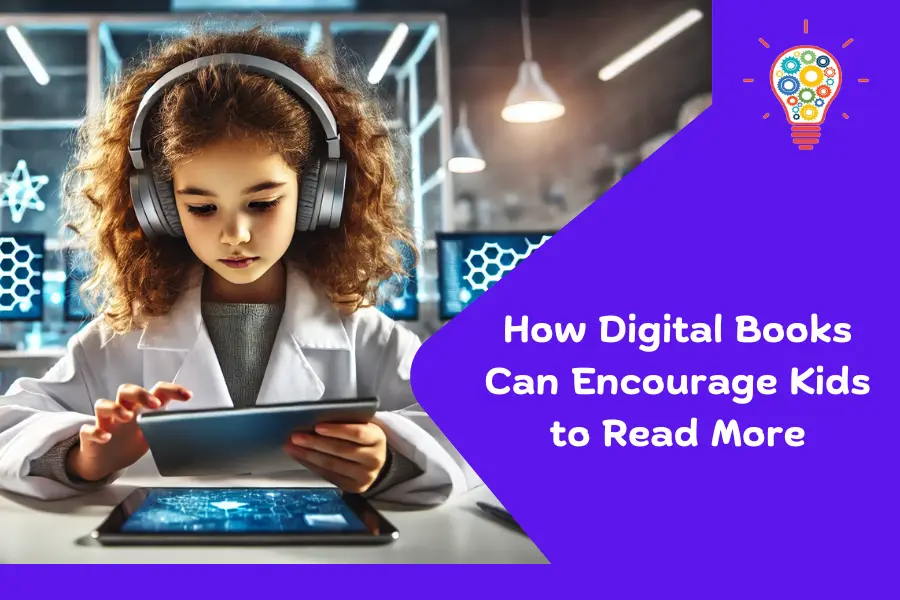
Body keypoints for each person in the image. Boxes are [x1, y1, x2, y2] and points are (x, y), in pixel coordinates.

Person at [0, 24, 466, 506]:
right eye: (202, 208)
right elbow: (11, 422)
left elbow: (478, 430)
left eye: (263, 203)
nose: (235, 235)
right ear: (159, 208)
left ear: (316, 197)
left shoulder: (364, 335)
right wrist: (83, 456)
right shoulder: (122, 336)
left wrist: (391, 457)